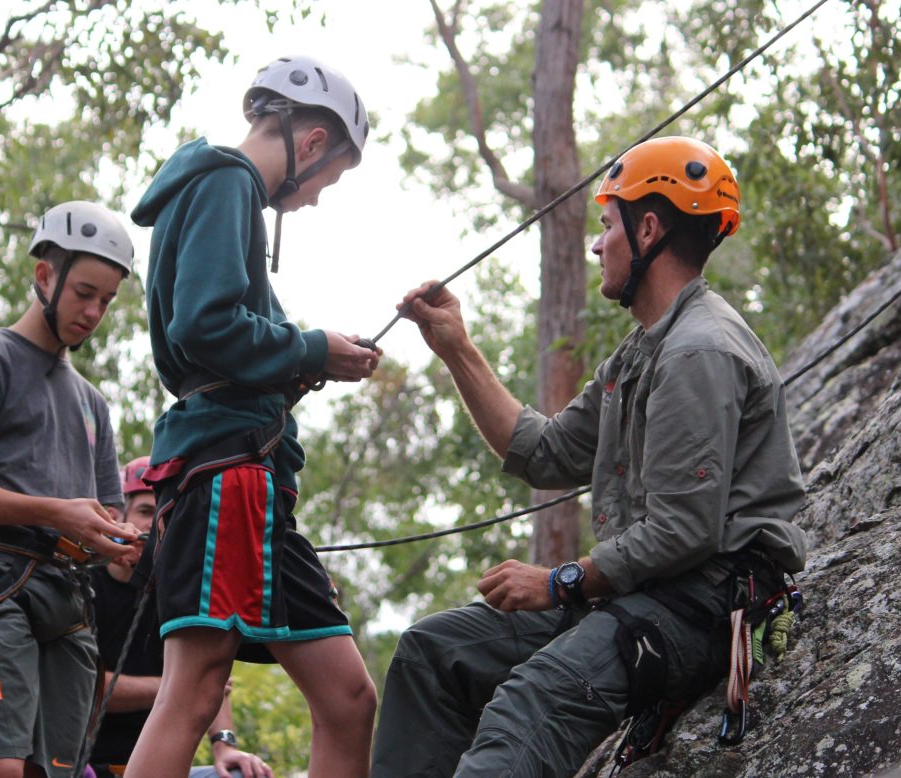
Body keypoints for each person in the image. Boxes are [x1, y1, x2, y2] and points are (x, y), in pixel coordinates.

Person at [371, 137, 811, 777]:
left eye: (608, 225)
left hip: (704, 607)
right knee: (434, 652)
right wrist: (456, 349)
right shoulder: (640, 354)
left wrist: (557, 581)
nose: (598, 243)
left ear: (649, 228)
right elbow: (543, 452)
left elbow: (684, 530)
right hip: (647, 597)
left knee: (531, 705)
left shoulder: (698, 352)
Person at [124, 55, 381, 778]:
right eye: (331, 175)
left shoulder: (213, 189)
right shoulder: (229, 183)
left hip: (250, 477)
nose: (320, 194)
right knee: (195, 689)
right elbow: (203, 326)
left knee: (348, 697)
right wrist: (310, 348)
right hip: (226, 474)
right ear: (310, 143)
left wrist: (304, 365)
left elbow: (212, 340)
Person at [0, 200, 143, 778]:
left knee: (63, 774)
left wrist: (118, 540)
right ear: (45, 275)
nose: (94, 312)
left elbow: (103, 517)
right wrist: (55, 513)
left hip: (66, 600)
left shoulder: (92, 404)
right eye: (84, 293)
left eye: (108, 301)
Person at [88, 457, 273, 778]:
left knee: (242, 776)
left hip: (163, 770)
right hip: (85, 769)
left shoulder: (180, 592)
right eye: (145, 511)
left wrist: (224, 745)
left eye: (166, 512)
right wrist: (178, 688)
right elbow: (92, 690)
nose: (156, 523)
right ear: (119, 519)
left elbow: (211, 676)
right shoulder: (87, 586)